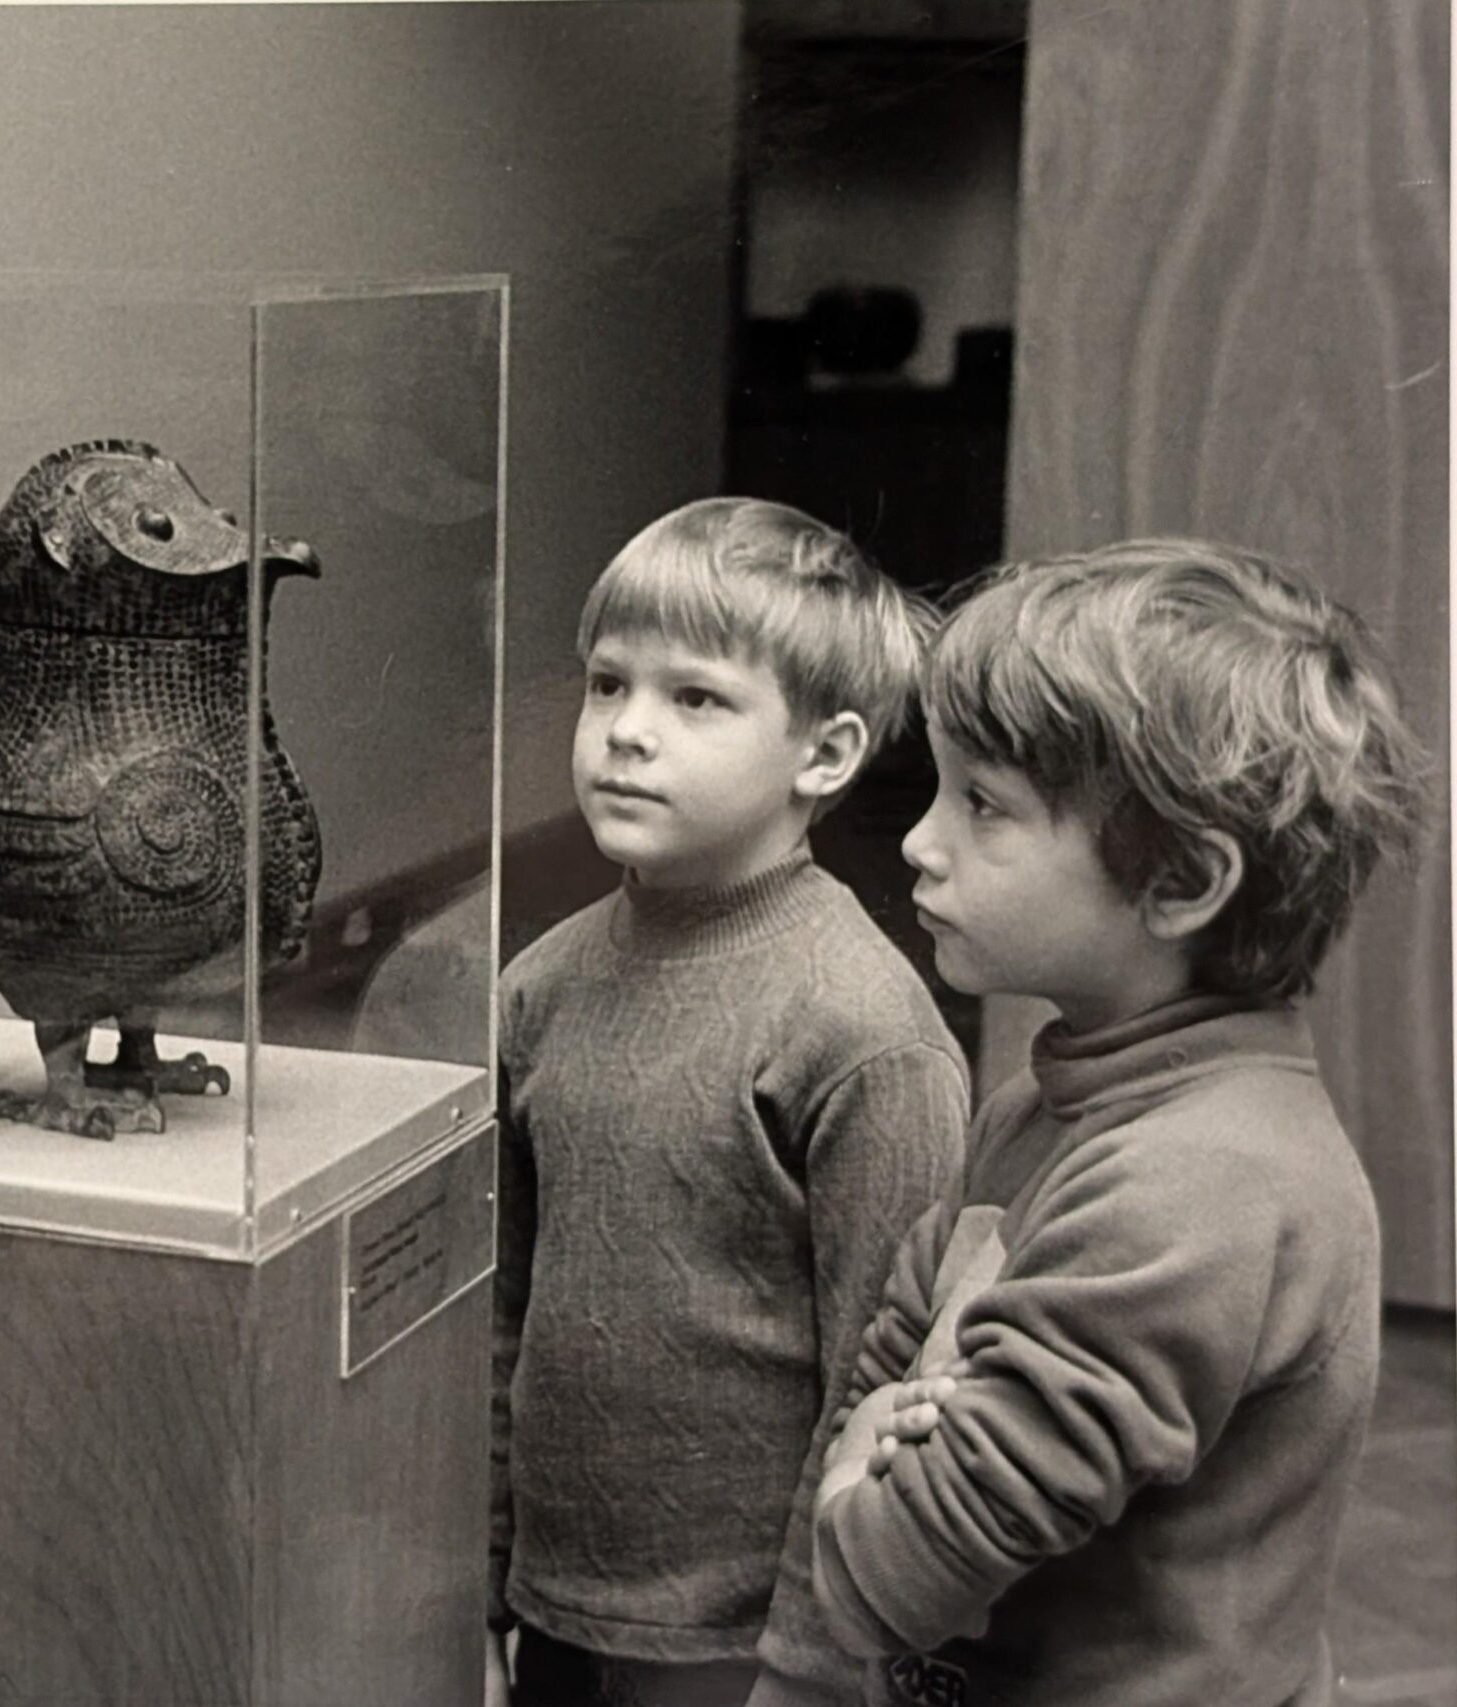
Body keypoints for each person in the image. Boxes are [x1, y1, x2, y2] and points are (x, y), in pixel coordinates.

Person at [811, 540, 1420, 1707]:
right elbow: (882, 1374)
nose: (916, 843)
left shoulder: (1199, 1190)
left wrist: (869, 1458)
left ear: (1181, 880)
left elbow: (888, 1575)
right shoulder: (1037, 1112)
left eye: (982, 805)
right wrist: (880, 1435)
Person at [490, 498, 972, 1707]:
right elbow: (500, 1313)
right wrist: (479, 1581)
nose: (625, 733)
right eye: (608, 685)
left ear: (824, 754)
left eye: (694, 698)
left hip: (746, 1645)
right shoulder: (538, 986)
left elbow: (884, 1384)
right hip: (553, 1608)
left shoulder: (861, 1029)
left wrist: (809, 1665)